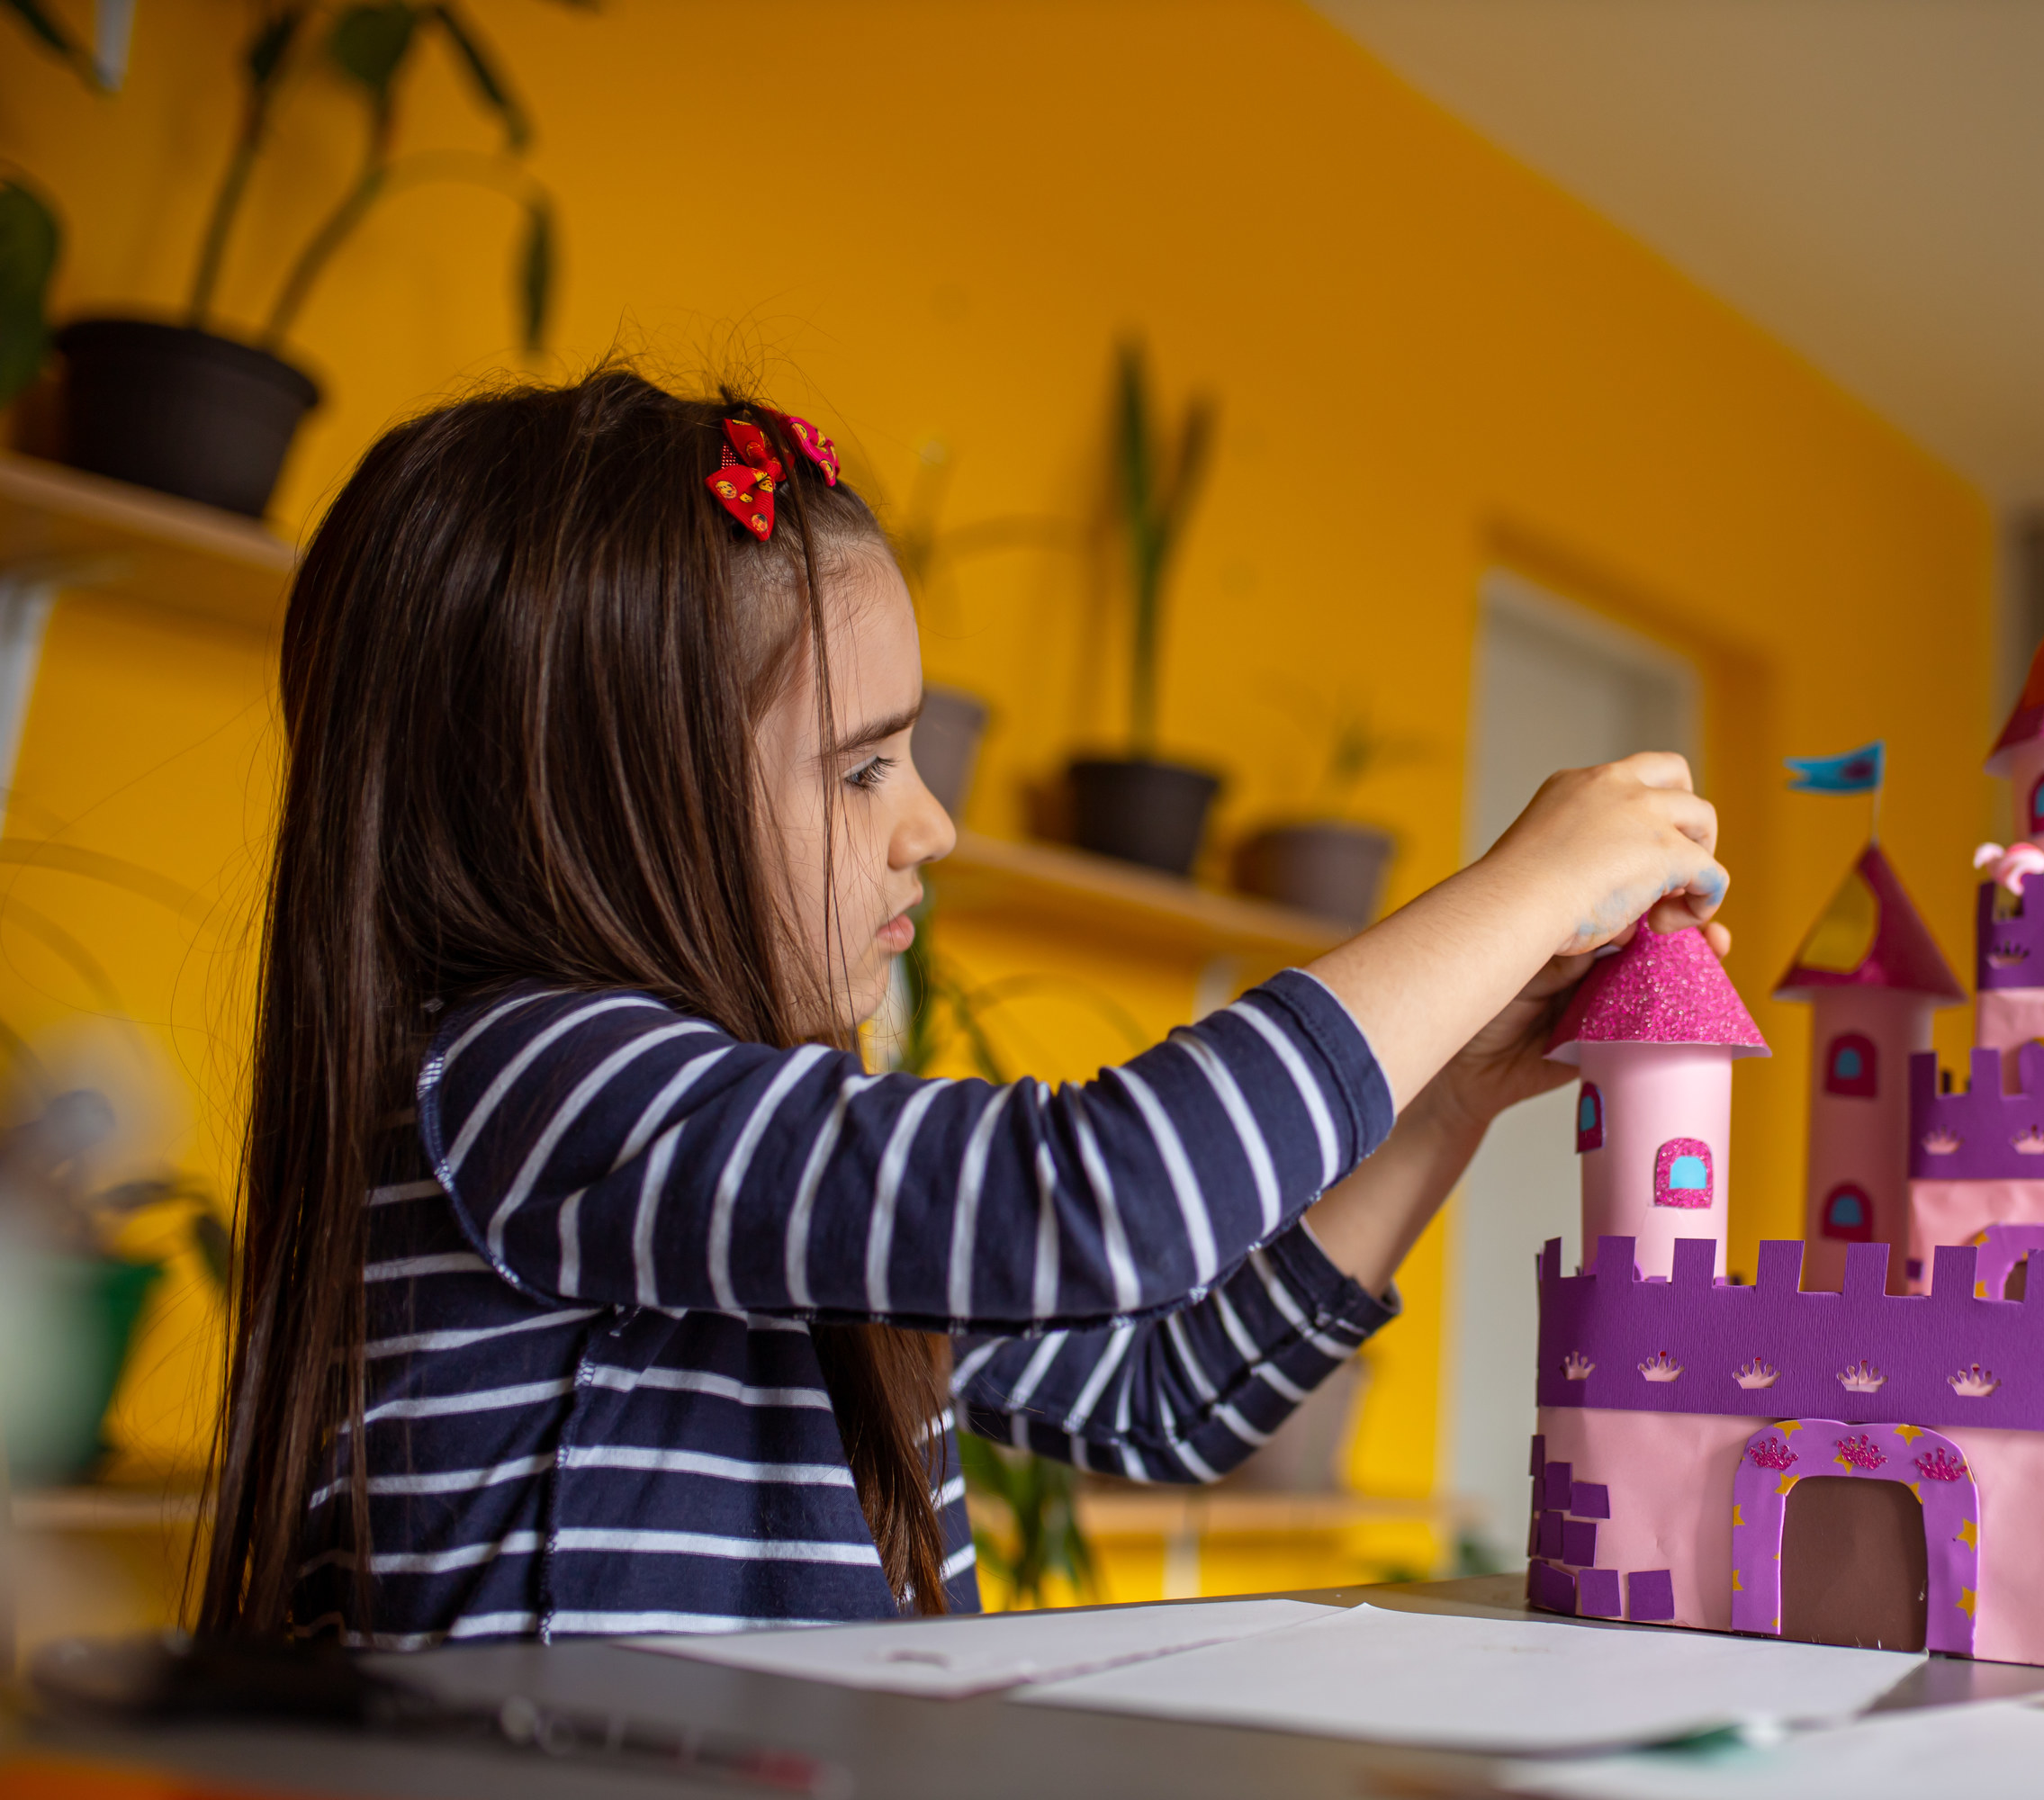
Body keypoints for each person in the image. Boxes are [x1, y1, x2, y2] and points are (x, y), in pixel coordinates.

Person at [198, 369, 1728, 1646]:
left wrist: (1450, 1095)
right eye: (862, 768)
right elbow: (1110, 1201)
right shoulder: (534, 1086)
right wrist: (1523, 888)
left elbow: (1159, 1394)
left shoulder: (753, 1198)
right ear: (597, 798)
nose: (928, 823)